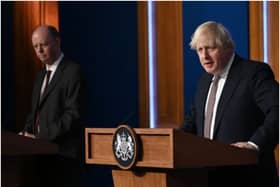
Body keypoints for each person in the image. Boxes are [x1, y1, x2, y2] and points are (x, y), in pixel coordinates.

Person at [181, 21, 279, 187]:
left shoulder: (253, 73)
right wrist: (169, 145)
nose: (204, 56)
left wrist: (254, 145)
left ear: (227, 47)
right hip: (207, 177)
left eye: (210, 48)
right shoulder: (204, 81)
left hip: (248, 177)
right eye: (199, 50)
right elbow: (192, 122)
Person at [18, 25, 84, 187]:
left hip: (63, 157)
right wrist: (24, 135)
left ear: (57, 42)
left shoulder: (73, 71)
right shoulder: (40, 76)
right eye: (35, 46)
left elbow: (72, 116)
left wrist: (40, 138)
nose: (39, 50)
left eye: (44, 44)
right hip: (40, 157)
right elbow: (35, 113)